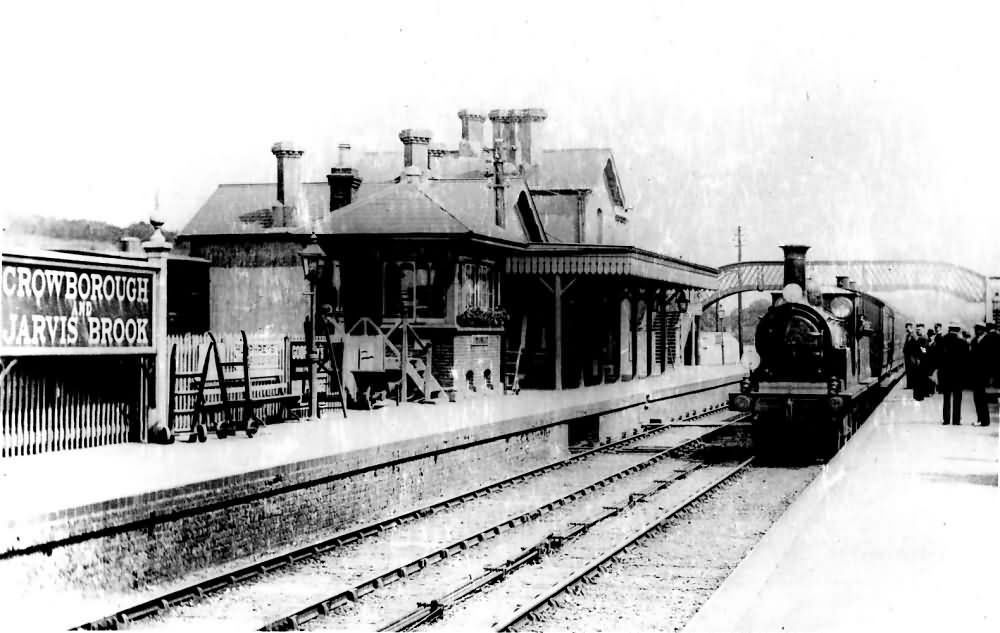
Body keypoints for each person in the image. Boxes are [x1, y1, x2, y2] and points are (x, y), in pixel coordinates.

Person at [935, 322, 969, 425]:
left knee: (946, 397)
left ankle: (946, 420)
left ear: (949, 328)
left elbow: (938, 358)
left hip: (945, 374)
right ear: (958, 329)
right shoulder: (963, 343)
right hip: (958, 375)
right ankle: (956, 420)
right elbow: (966, 361)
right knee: (957, 397)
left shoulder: (941, 340)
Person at [970, 323, 990, 426]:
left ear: (982, 329)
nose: (976, 331)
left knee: (981, 397)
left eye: (978, 329)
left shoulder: (988, 340)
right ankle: (980, 419)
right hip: (976, 373)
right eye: (975, 329)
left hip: (983, 373)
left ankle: (984, 420)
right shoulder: (974, 341)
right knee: (977, 396)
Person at [912, 323, 930, 400]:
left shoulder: (923, 338)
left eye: (919, 330)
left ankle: (920, 396)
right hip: (921, 361)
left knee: (920, 379)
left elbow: (924, 350)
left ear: (923, 330)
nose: (917, 331)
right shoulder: (922, 338)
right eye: (916, 330)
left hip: (922, 362)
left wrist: (919, 358)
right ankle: (921, 394)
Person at [902, 322, 917, 389]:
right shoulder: (908, 335)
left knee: (912, 370)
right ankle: (909, 385)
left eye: (907, 327)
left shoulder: (913, 335)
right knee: (908, 370)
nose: (906, 329)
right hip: (907, 356)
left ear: (910, 327)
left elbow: (917, 344)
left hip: (912, 356)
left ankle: (912, 385)